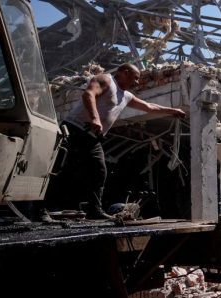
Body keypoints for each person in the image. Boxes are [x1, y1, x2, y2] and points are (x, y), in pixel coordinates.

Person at [45, 63, 185, 220]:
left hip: (92, 137)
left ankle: (94, 210)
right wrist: (95, 118)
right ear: (124, 72)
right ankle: (42, 208)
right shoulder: (106, 79)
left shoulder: (126, 96)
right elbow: (88, 95)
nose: (137, 82)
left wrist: (172, 111)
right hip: (75, 129)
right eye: (135, 78)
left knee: (99, 171)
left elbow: (149, 106)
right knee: (64, 171)